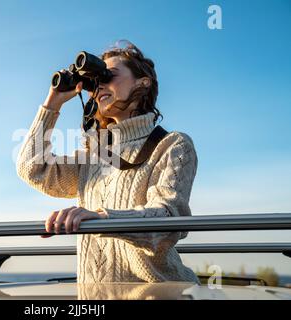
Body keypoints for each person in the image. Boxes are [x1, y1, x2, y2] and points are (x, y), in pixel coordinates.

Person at [16, 40, 199, 283]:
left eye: (109, 75)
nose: (100, 84)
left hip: (159, 292)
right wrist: (53, 102)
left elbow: (168, 219)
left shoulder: (172, 145)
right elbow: (33, 169)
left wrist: (102, 218)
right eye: (96, 80)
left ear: (143, 82)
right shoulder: (95, 154)